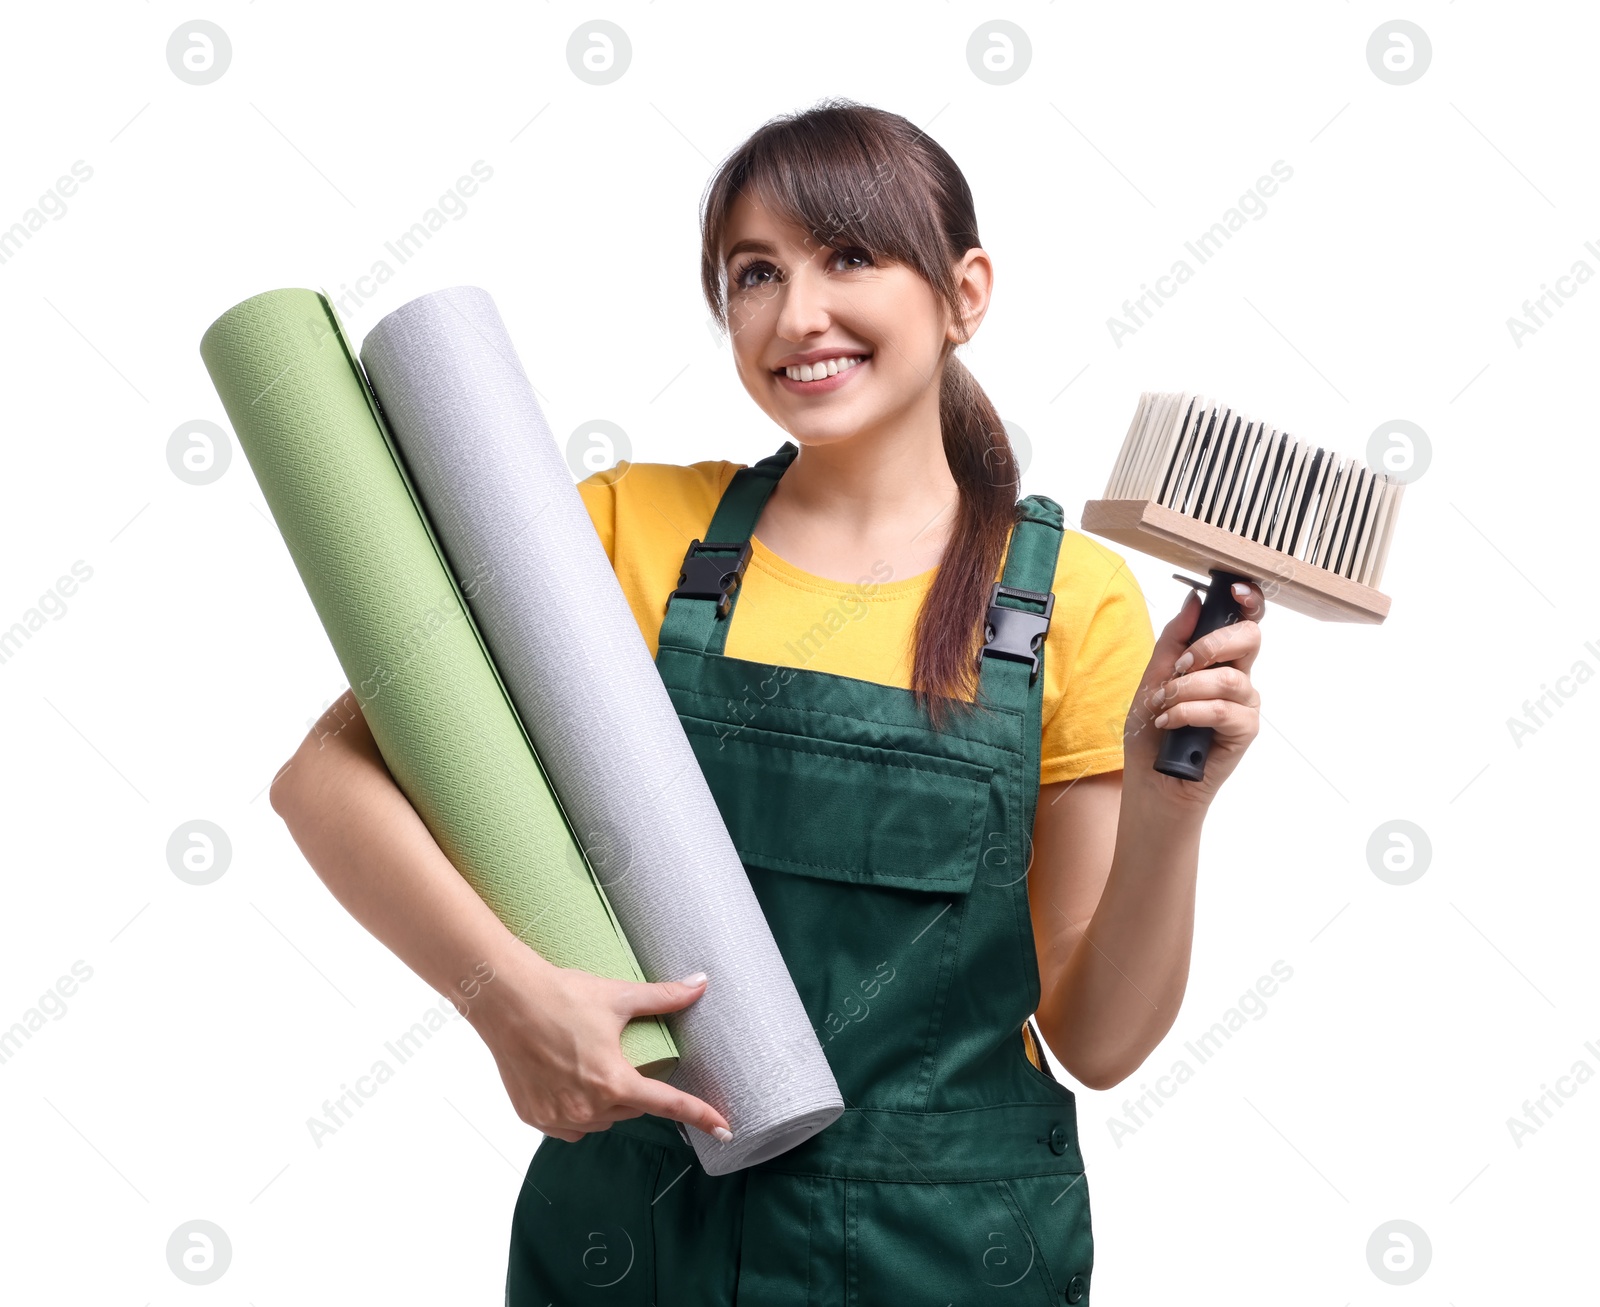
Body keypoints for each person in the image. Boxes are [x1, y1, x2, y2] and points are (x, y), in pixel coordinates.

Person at [271, 97, 1264, 1305]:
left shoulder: (1073, 602)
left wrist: (1174, 812)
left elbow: (1099, 1041)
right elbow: (326, 773)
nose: (797, 315)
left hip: (946, 1251)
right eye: (753, 273)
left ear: (966, 291)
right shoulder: (619, 531)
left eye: (848, 254)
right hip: (632, 1232)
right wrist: (507, 997)